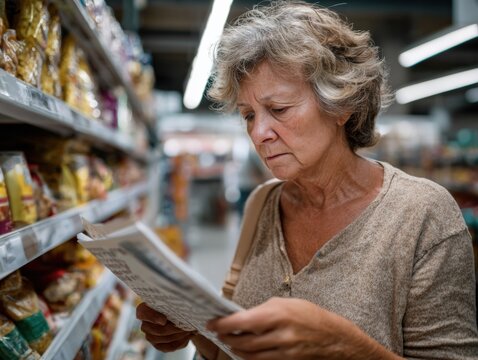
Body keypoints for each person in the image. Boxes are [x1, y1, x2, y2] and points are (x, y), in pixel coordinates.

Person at [137, 1, 478, 359]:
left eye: (279, 109)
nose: (259, 132)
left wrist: (343, 347)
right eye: (249, 115)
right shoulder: (262, 205)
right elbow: (233, 350)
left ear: (342, 105)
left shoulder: (422, 215)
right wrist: (194, 330)